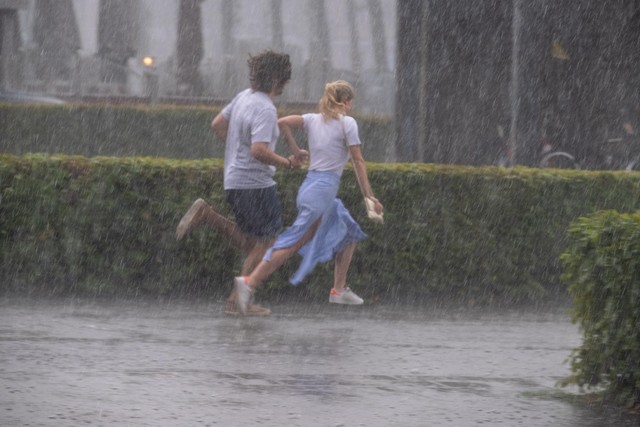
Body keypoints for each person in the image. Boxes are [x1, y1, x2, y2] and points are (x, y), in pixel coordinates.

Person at [233, 80, 384, 315]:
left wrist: (295, 149)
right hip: (321, 192)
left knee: (349, 231)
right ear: (345, 102)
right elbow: (358, 161)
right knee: (291, 243)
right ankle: (249, 284)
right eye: (351, 102)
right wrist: (370, 197)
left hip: (312, 188)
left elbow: (282, 122)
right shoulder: (348, 124)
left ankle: (338, 289)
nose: (352, 106)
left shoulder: (313, 119)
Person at [176, 50, 308, 316]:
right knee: (268, 244)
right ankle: (238, 302)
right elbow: (259, 150)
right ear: (276, 80)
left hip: (234, 180)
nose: (285, 85)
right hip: (256, 184)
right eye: (284, 79)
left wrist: (238, 150)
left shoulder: (242, 98)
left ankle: (207, 215)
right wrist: (287, 163)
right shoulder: (265, 108)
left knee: (253, 245)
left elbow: (217, 125)